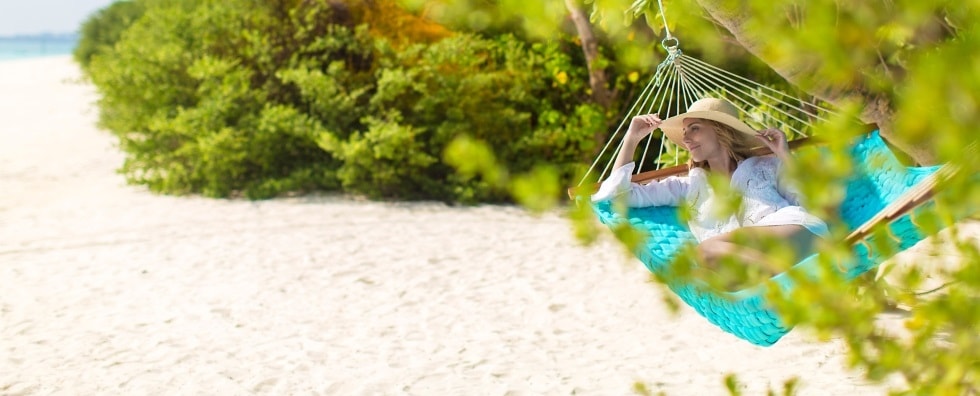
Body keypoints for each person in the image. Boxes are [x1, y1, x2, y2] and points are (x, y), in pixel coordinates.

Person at [591, 97, 828, 276]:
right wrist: (631, 138)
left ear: (720, 129)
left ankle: (794, 282)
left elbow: (811, 203)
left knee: (708, 249)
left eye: (694, 128)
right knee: (709, 261)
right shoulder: (688, 187)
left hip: (797, 234)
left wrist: (784, 155)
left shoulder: (764, 166)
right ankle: (787, 282)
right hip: (754, 264)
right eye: (684, 132)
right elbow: (618, 196)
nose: (686, 138)